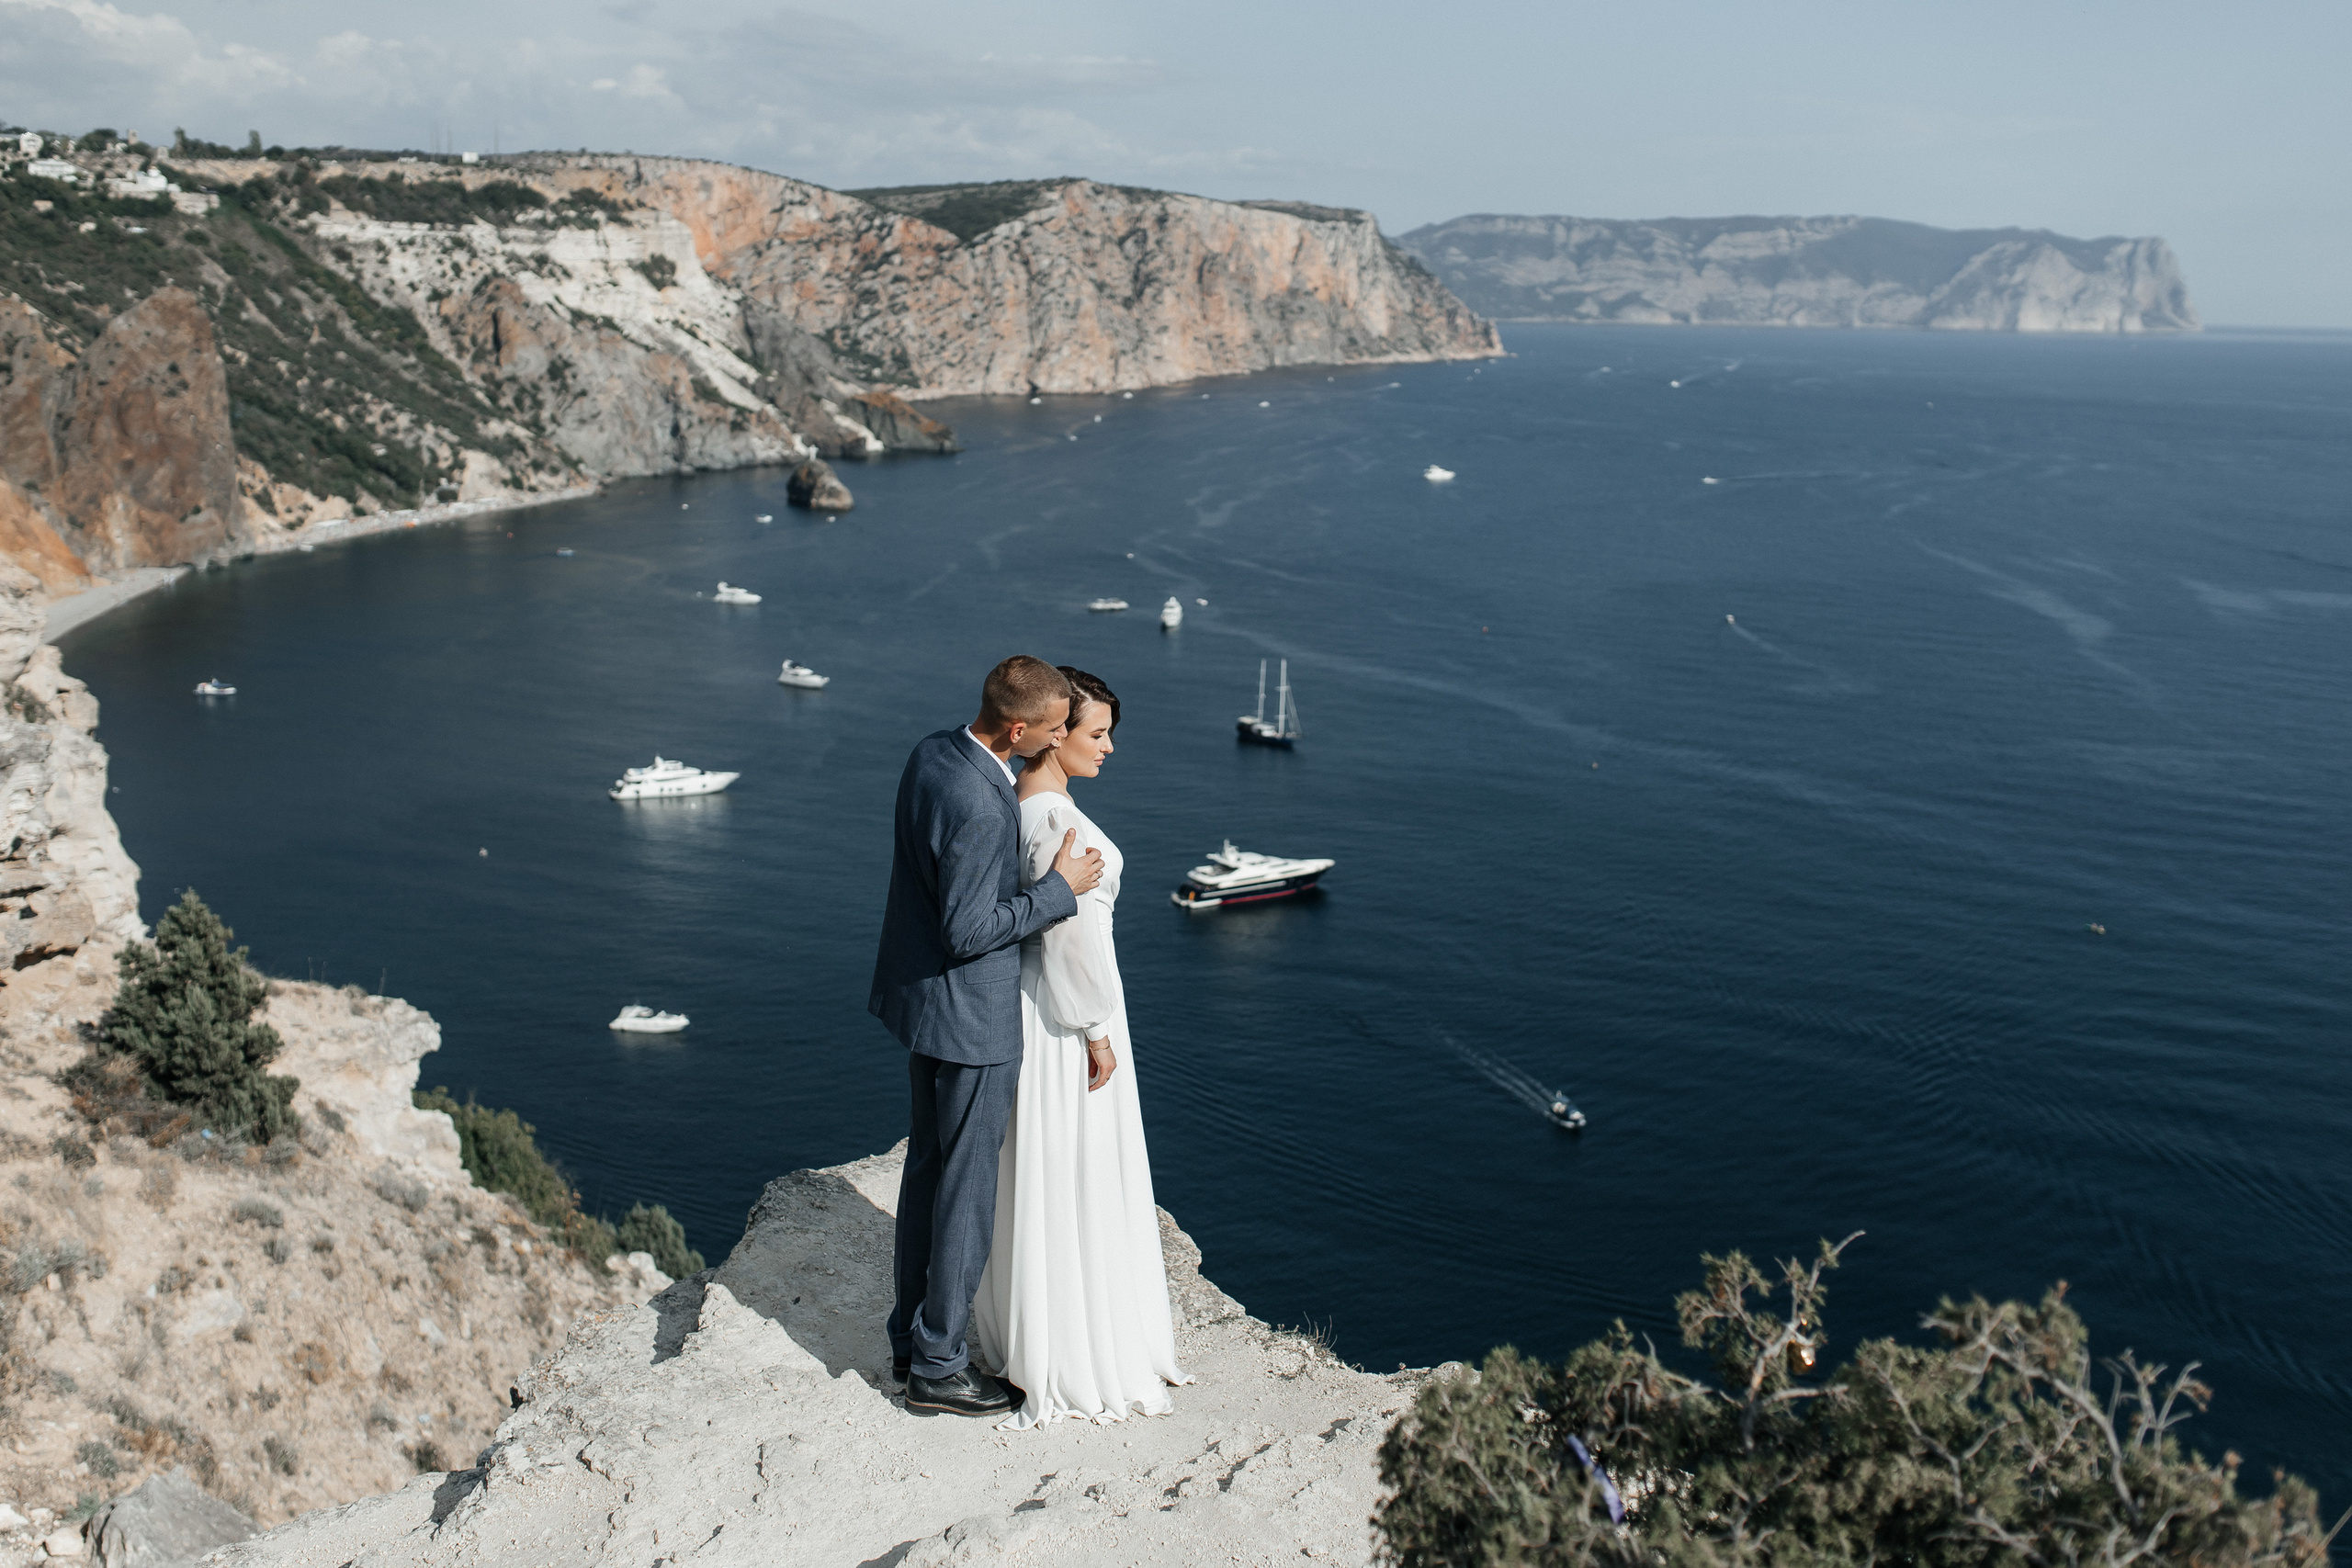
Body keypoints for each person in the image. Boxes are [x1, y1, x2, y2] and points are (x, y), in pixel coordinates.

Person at [870, 655, 1105, 1417]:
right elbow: (968, 928)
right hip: (973, 1021)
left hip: (925, 1008)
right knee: (965, 1194)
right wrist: (1056, 892)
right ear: (1017, 727)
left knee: (927, 1176)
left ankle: (910, 1338)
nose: (1062, 736)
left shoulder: (932, 751)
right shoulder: (982, 802)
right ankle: (938, 1366)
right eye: (1055, 726)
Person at [971, 667, 1189, 1427]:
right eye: (1097, 733)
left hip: (1037, 1008)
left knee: (1046, 1170)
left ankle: (1035, 1335)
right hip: (1068, 1016)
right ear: (1056, 734)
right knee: (1078, 1169)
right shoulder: (1054, 820)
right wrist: (1097, 1030)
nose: (1110, 746)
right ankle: (1078, 1348)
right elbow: (1069, 934)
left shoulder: (1018, 805)